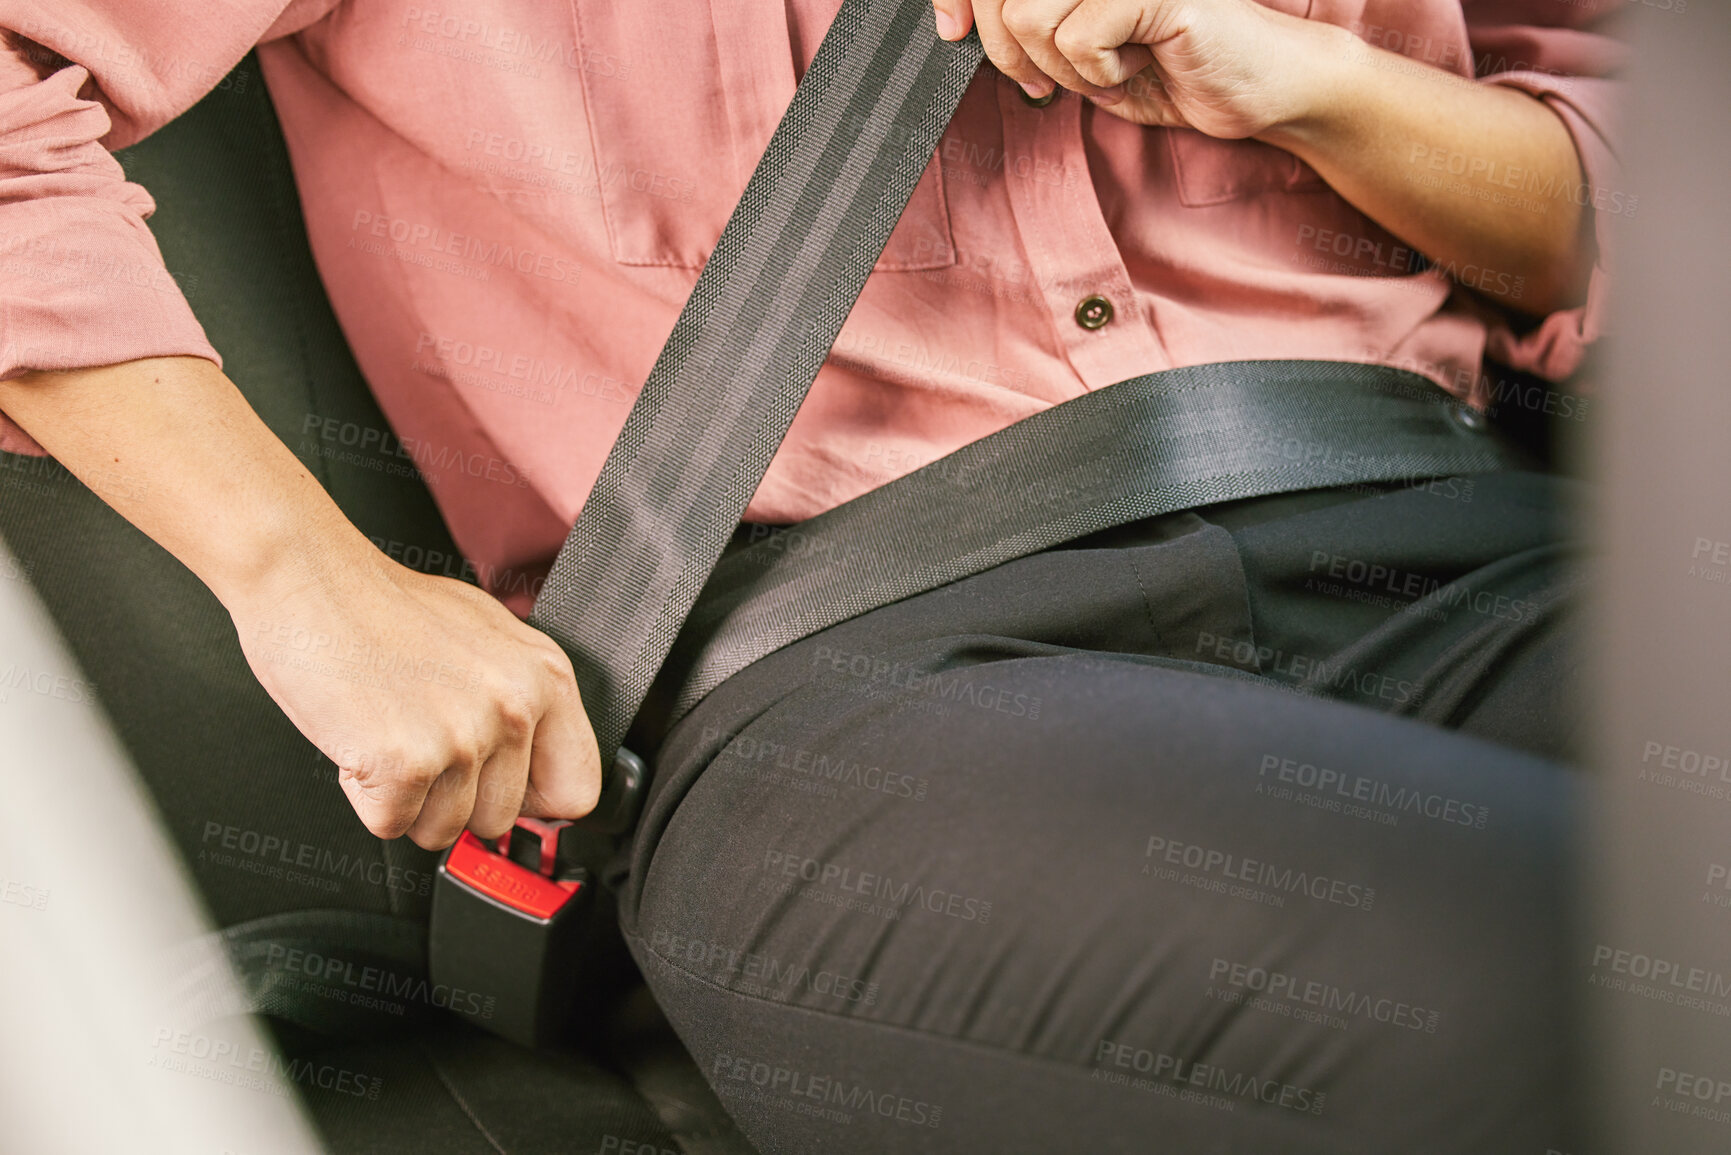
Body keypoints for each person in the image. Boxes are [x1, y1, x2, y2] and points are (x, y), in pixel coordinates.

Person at [0, 0, 1617, 1149]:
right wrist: (300, 574)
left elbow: (1620, 199)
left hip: (1457, 532)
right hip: (872, 681)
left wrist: (1315, 82)